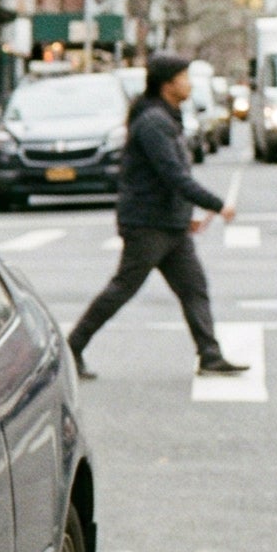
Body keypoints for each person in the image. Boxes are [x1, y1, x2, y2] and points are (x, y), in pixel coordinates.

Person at [68, 52, 249, 380]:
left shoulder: (166, 117)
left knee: (194, 288)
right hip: (147, 224)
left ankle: (210, 354)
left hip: (169, 223)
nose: (189, 84)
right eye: (184, 77)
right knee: (123, 288)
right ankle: (72, 347)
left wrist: (187, 212)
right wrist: (217, 204)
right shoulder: (154, 122)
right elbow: (172, 175)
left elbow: (171, 178)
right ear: (168, 84)